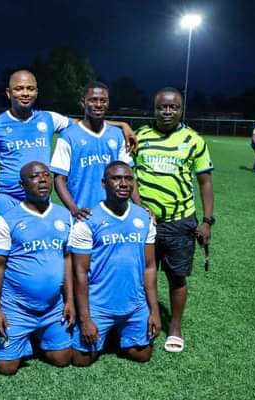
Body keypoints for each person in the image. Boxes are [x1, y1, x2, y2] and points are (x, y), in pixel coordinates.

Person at [132, 87, 215, 353]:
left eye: (173, 107)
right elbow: (130, 175)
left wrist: (207, 221)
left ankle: (175, 328)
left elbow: (205, 182)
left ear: (181, 109)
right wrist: (139, 207)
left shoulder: (194, 140)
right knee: (141, 274)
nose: (167, 111)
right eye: (162, 107)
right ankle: (145, 319)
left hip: (180, 221)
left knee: (176, 277)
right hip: (144, 222)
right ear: (154, 108)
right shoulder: (140, 136)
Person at [0, 71, 137, 219]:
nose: (25, 93)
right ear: (9, 93)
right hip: (9, 199)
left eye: (30, 88)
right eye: (19, 88)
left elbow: (85, 122)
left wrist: (121, 124)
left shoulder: (48, 118)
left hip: (41, 199)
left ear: (36, 92)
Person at [70, 162, 160, 365]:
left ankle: (117, 332)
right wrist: (85, 319)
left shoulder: (144, 218)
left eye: (128, 179)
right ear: (104, 183)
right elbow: (80, 273)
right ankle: (107, 330)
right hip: (99, 305)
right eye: (116, 178)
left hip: (135, 304)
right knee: (80, 360)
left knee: (142, 355)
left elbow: (150, 267)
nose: (123, 183)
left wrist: (154, 311)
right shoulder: (88, 220)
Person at [0, 161, 75, 375]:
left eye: (46, 175)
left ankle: (36, 335)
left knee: (63, 359)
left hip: (52, 307)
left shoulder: (64, 216)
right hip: (16, 308)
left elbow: (67, 258)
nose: (43, 180)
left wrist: (70, 300)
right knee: (7, 368)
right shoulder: (8, 220)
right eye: (35, 176)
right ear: (22, 185)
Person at [50, 81, 132, 221]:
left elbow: (129, 176)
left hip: (114, 215)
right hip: (82, 215)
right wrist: (74, 210)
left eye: (103, 100)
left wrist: (139, 205)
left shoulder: (118, 135)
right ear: (83, 102)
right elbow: (59, 179)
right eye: (93, 100)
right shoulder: (68, 136)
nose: (98, 104)